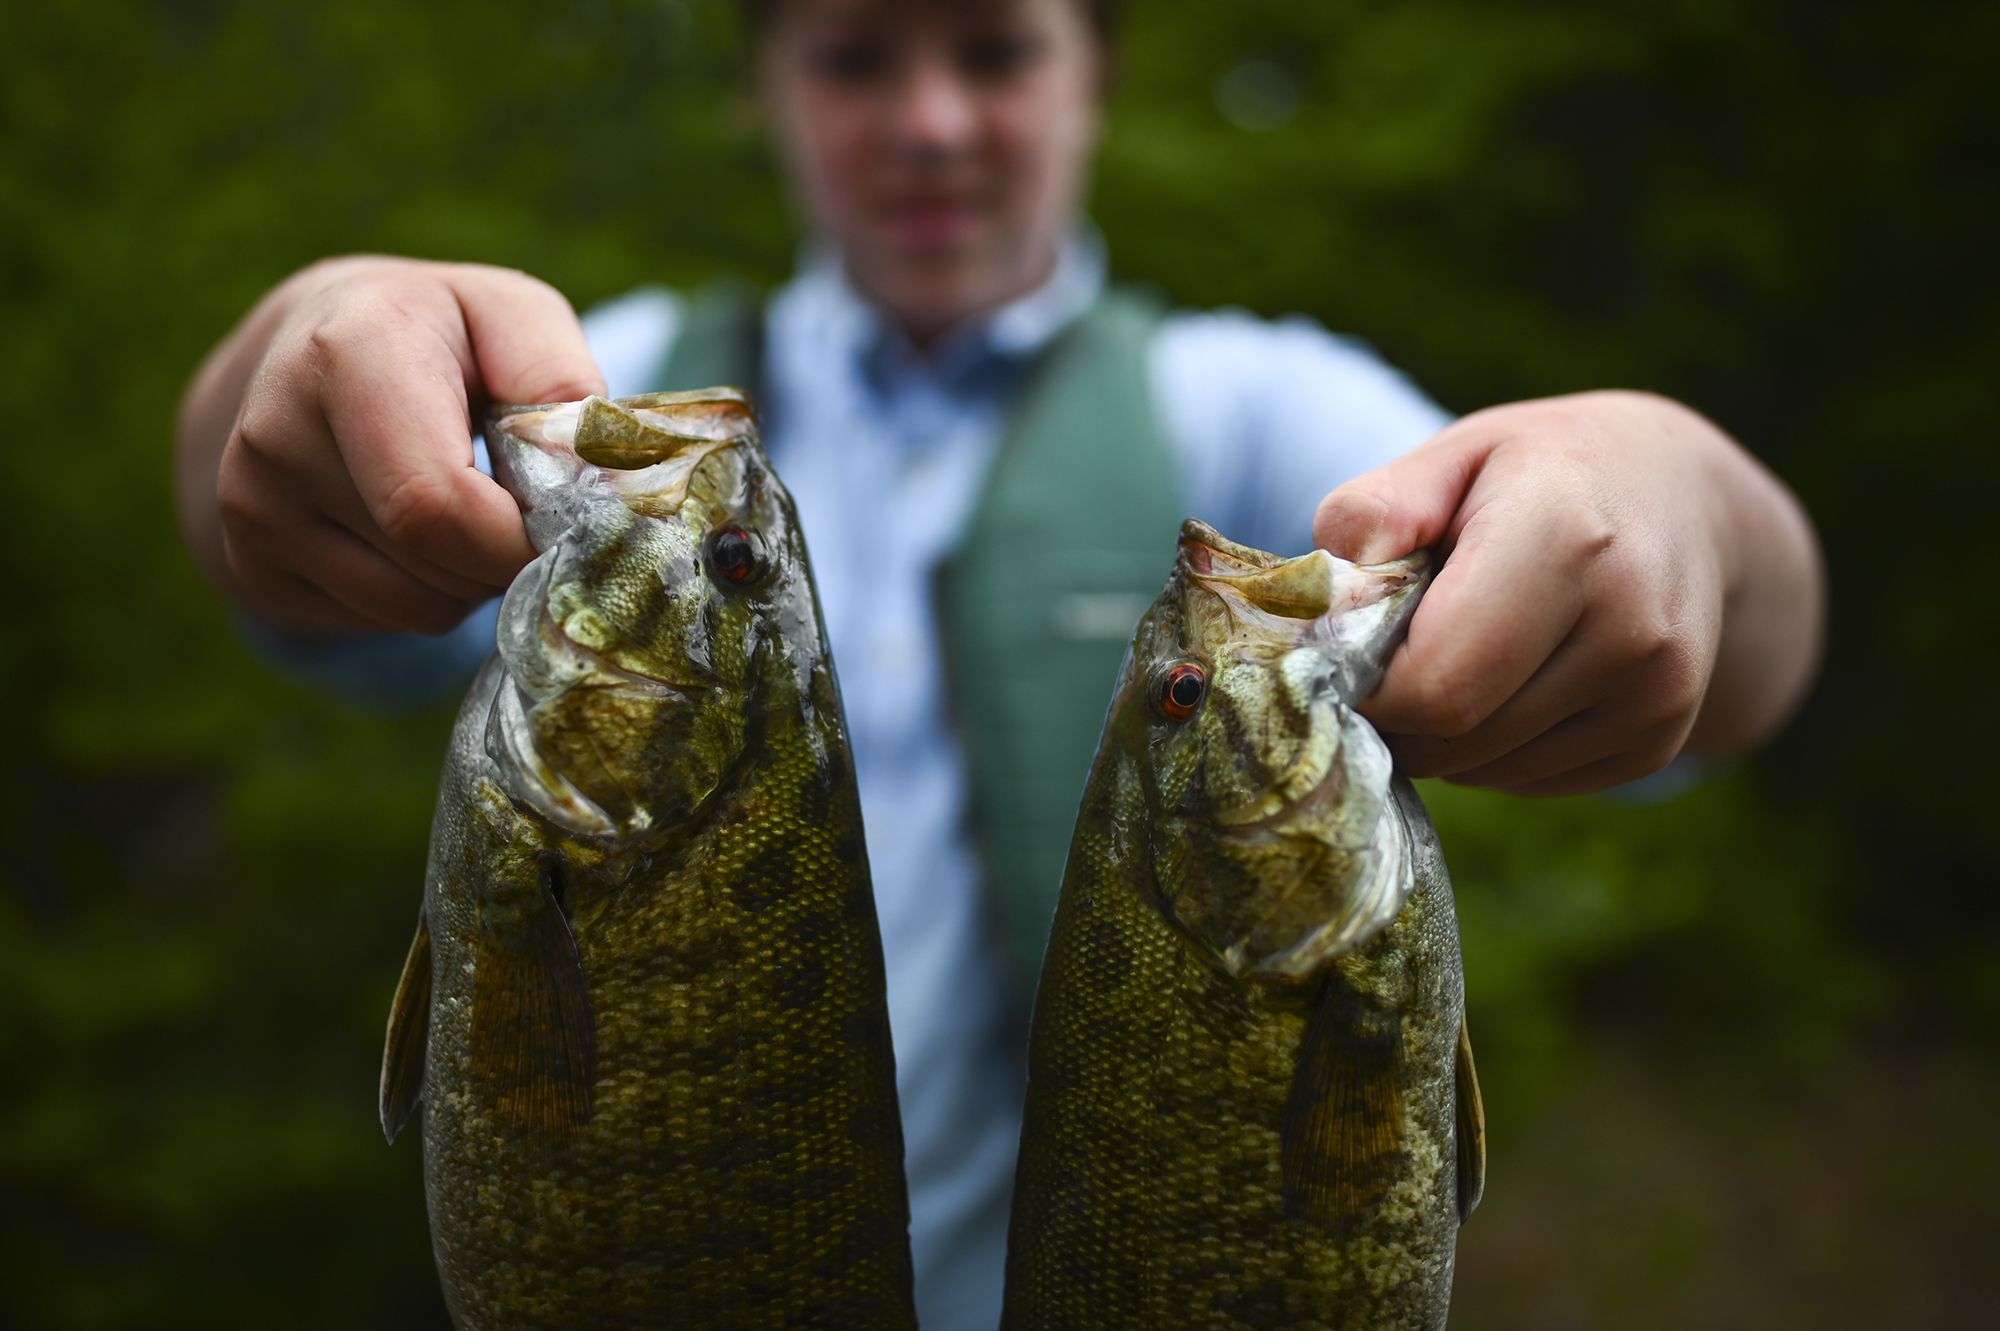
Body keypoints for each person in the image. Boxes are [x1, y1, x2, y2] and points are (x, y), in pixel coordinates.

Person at [173, 0, 1824, 1326]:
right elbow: (294, 581)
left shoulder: (1247, 414)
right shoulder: (620, 376)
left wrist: (1672, 483)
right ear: (766, 86)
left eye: (997, 50)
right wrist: (287, 358)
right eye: (855, 56)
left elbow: (1729, 675)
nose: (933, 120)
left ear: (1094, 73)